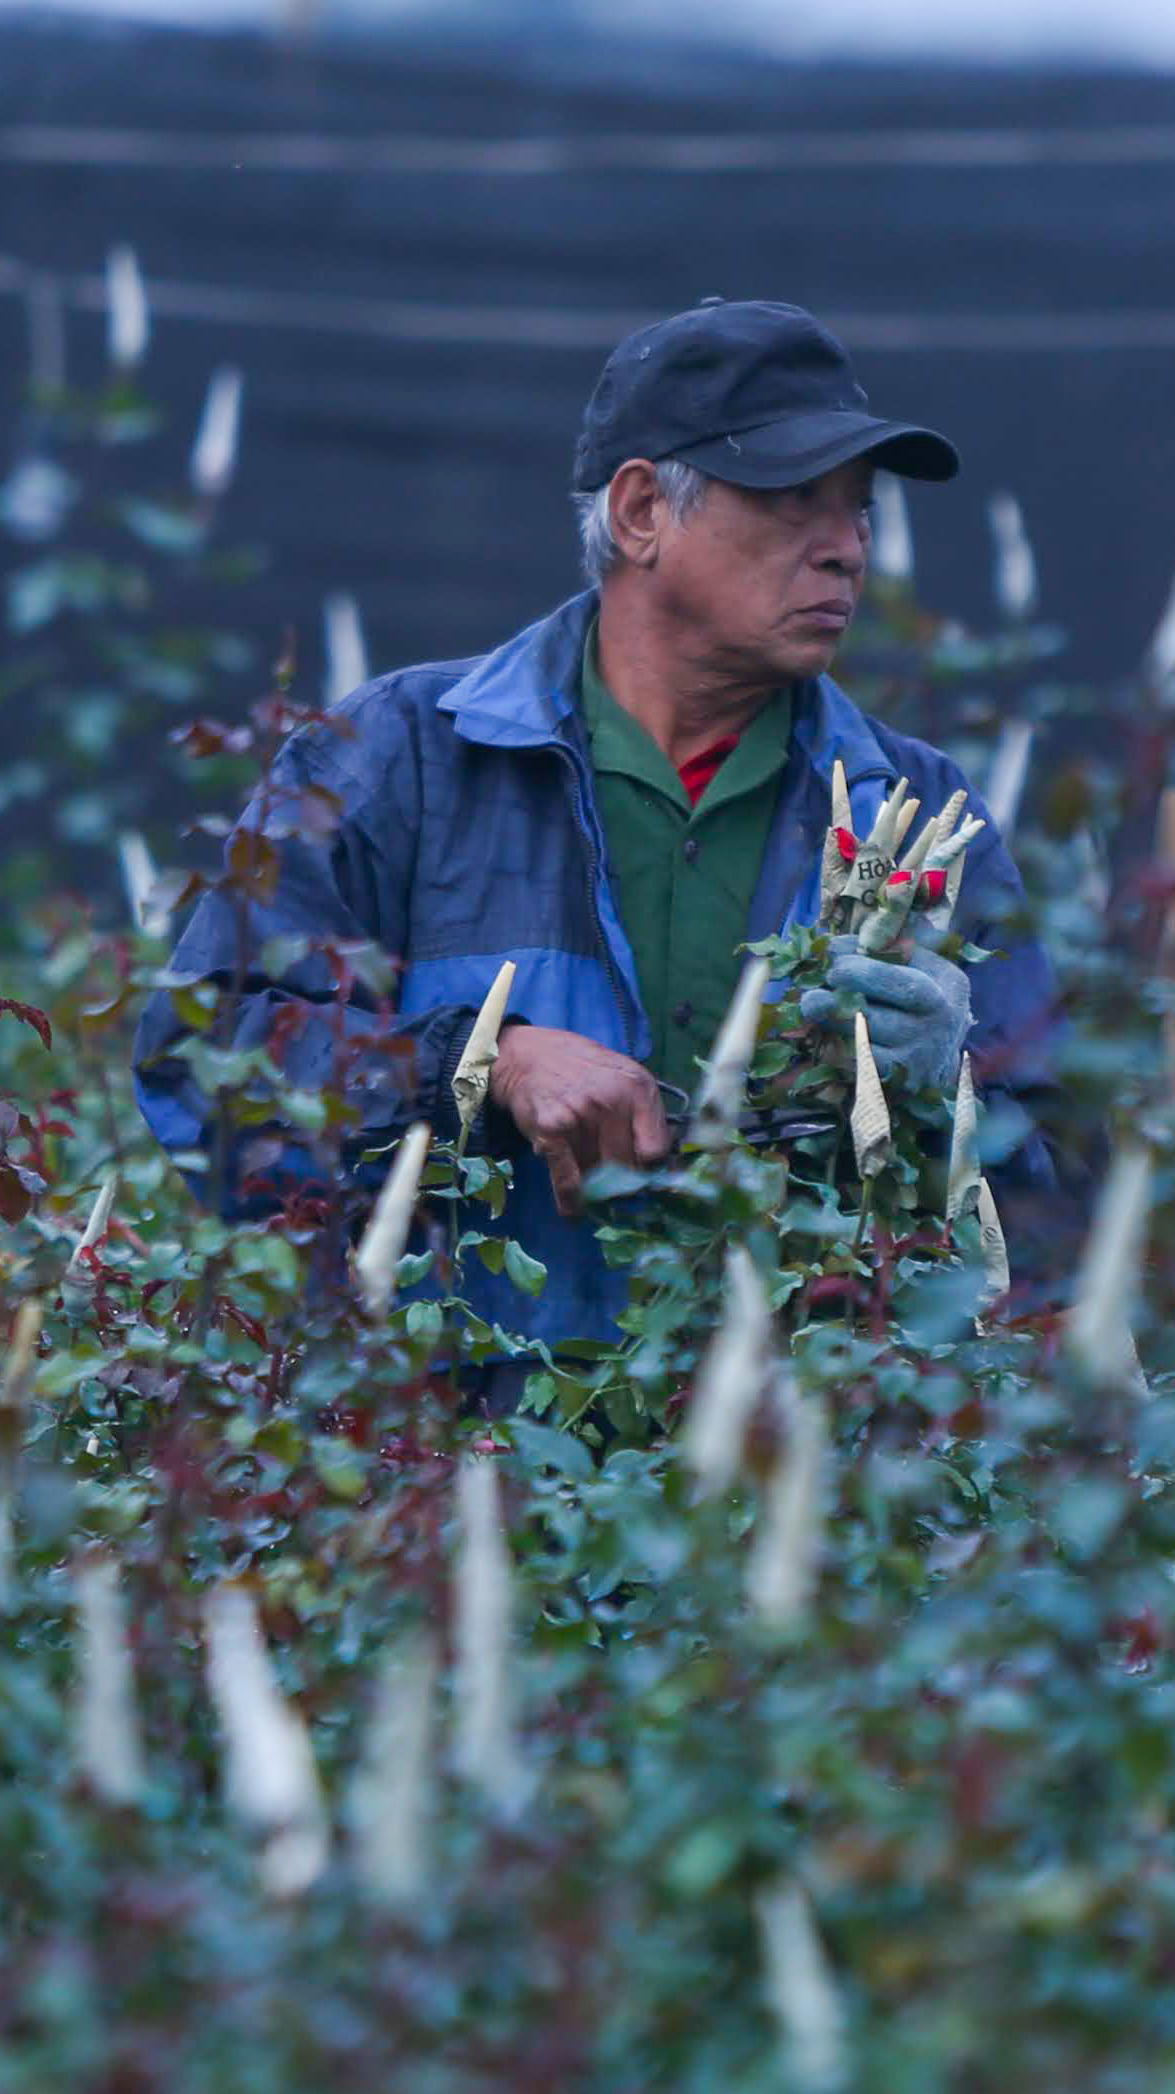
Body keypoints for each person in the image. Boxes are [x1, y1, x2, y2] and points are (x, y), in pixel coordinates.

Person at [133, 298, 1076, 1349]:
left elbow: (1058, 1219)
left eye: (857, 509)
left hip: (800, 1471)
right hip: (438, 1463)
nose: (846, 550)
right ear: (639, 513)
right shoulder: (397, 757)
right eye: (795, 499)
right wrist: (479, 1061)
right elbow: (201, 1061)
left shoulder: (919, 819)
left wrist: (949, 1084)